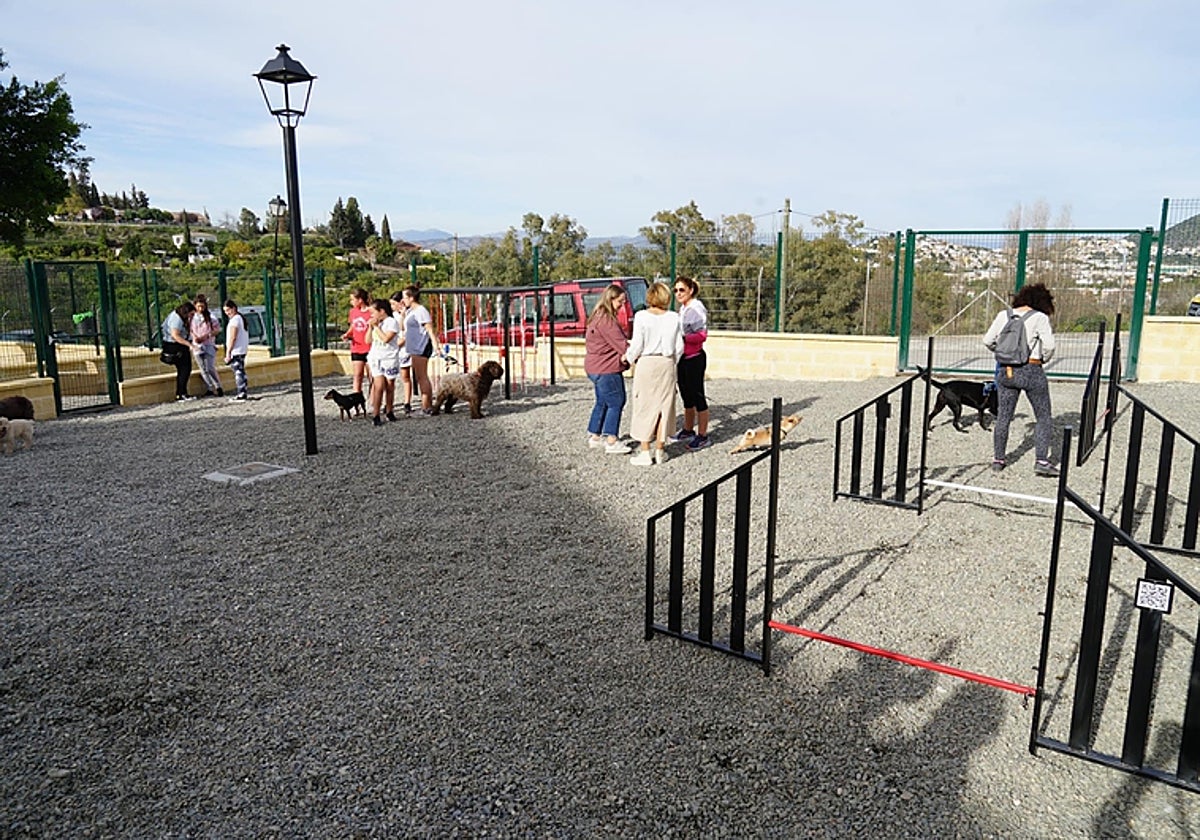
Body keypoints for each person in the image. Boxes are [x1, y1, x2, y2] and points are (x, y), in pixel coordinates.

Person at [983, 282, 1057, 476]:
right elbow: (1049, 345)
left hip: (1006, 371)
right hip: (1032, 369)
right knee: (1043, 416)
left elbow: (987, 341)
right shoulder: (1040, 317)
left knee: (1004, 416)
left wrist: (1003, 353)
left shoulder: (1003, 315)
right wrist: (1042, 360)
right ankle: (1041, 461)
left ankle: (998, 459)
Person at [624, 281, 683, 466]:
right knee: (664, 407)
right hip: (666, 363)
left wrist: (629, 358)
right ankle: (660, 449)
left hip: (647, 363)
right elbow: (679, 347)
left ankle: (645, 451)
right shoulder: (674, 317)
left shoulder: (641, 316)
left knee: (644, 406)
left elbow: (637, 344)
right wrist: (673, 363)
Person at [584, 284, 632, 453]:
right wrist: (635, 356)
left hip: (594, 368)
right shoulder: (607, 321)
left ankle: (595, 435)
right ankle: (611, 440)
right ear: (611, 299)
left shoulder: (597, 315)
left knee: (602, 401)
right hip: (606, 369)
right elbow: (622, 345)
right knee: (616, 401)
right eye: (620, 301)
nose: (622, 305)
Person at [669, 276, 711, 451]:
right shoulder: (683, 309)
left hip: (694, 357)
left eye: (682, 290)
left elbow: (702, 335)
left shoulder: (696, 309)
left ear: (691, 290)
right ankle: (688, 429)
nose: (678, 293)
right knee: (686, 395)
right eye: (676, 290)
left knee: (698, 395)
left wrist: (683, 338)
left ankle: (703, 435)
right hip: (683, 358)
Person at [400, 285, 443, 416]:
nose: (403, 300)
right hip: (413, 347)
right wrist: (402, 315)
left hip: (421, 346)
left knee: (422, 376)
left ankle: (427, 407)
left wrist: (436, 345)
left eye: (405, 297)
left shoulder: (421, 311)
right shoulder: (409, 311)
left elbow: (429, 329)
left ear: (411, 298)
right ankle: (426, 406)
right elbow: (403, 328)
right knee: (419, 376)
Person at [366, 298, 401, 426]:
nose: (372, 316)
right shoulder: (377, 324)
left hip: (389, 357)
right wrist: (371, 328)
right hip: (375, 357)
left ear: (381, 311)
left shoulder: (391, 322)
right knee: (378, 386)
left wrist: (376, 327)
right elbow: (368, 340)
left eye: (373, 312)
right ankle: (376, 414)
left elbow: (386, 339)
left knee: (389, 385)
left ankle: (389, 409)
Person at [161, 301, 196, 401]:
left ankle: (182, 392)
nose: (192, 316)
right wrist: (189, 345)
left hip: (178, 344)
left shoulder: (180, 317)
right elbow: (175, 335)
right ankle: (181, 394)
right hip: (175, 345)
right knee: (184, 369)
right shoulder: (176, 319)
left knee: (185, 369)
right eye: (191, 314)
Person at [190, 294, 224, 397]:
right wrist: (195, 337)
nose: (200, 309)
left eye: (202, 307)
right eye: (198, 306)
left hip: (208, 344)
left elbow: (217, 329)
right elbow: (190, 330)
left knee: (210, 367)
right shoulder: (192, 317)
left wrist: (207, 336)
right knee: (202, 368)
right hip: (197, 345)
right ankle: (209, 387)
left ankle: (218, 386)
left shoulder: (211, 317)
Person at [342, 288, 372, 396]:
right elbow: (353, 326)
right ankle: (356, 399)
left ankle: (374, 400)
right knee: (357, 375)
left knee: (371, 376)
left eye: (352, 299)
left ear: (360, 300)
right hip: (356, 347)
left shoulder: (371, 312)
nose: (351, 302)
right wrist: (347, 334)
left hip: (370, 348)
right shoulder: (353, 312)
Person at [390, 292, 414, 415]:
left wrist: (403, 315)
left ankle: (407, 402)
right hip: (393, 349)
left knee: (405, 376)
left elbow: (405, 331)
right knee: (391, 378)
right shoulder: (392, 316)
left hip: (403, 349)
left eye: (394, 304)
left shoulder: (409, 314)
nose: (392, 306)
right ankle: (390, 402)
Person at [223, 299, 250, 401]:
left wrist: (228, 352)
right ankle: (243, 391)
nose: (227, 313)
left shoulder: (235, 320)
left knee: (238, 372)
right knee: (241, 371)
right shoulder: (240, 318)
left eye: (228, 310)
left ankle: (241, 393)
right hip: (241, 349)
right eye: (225, 311)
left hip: (236, 350)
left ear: (234, 308)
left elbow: (232, 337)